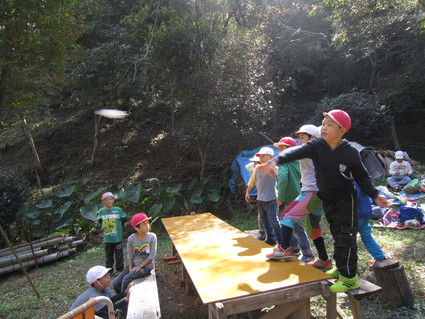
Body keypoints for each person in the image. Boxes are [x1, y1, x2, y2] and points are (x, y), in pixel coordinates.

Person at [265, 110, 389, 293]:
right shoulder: (316, 145)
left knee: (346, 238)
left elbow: (363, 178)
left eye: (329, 125)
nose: (324, 127)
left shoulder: (350, 153)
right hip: (328, 200)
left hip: (347, 201)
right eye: (323, 124)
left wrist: (375, 194)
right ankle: (340, 268)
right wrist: (277, 160)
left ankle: (349, 278)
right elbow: (297, 151)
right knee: (337, 236)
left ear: (342, 130)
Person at [267, 126, 330, 267]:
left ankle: (284, 248)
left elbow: (292, 154)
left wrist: (274, 161)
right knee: (312, 228)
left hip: (311, 193)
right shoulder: (319, 150)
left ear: (313, 138)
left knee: (286, 216)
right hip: (316, 193)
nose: (300, 141)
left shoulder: (311, 150)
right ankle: (324, 260)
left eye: (302, 137)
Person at [274, 136, 314, 262]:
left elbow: (283, 179)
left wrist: (280, 197)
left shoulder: (283, 163)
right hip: (298, 193)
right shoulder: (298, 161)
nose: (280, 151)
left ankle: (307, 252)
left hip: (288, 196)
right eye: (279, 148)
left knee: (294, 224)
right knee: (290, 223)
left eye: (283, 148)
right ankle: (293, 247)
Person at [113, 213, 157, 294]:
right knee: (115, 283)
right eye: (144, 224)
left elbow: (151, 256)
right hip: (133, 265)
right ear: (136, 228)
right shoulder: (131, 239)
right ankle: (124, 299)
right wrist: (130, 268)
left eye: (147, 223)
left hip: (146, 267)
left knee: (126, 279)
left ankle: (125, 302)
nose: (147, 225)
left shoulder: (152, 237)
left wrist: (139, 267)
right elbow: (129, 255)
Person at [245, 147, 281, 246]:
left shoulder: (274, 168)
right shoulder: (257, 168)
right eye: (260, 156)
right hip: (260, 199)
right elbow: (252, 181)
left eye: (263, 156)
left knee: (273, 220)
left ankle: (281, 241)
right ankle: (270, 238)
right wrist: (247, 192)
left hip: (271, 199)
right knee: (264, 220)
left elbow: (282, 176)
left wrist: (272, 164)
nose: (261, 158)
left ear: (270, 157)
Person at [354, 181, 387, 268]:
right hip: (365, 213)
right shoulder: (364, 183)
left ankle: (349, 263)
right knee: (367, 236)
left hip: (356, 215)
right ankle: (380, 257)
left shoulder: (352, 184)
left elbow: (354, 199)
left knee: (349, 239)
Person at [97, 192, 127, 276]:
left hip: (117, 238)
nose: (109, 201)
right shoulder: (101, 212)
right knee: (109, 255)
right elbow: (100, 221)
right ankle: (109, 271)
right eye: (106, 200)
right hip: (107, 239)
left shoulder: (118, 210)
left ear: (113, 200)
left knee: (119, 254)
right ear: (103, 202)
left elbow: (124, 218)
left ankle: (120, 270)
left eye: (110, 199)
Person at [245, 155, 267, 241]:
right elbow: (248, 166)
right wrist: (247, 192)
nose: (254, 165)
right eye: (253, 163)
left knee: (271, 217)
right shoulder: (255, 170)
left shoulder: (269, 170)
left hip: (270, 197)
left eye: (255, 163)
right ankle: (262, 232)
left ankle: (272, 234)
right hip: (261, 197)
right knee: (260, 216)